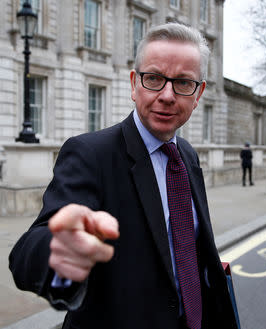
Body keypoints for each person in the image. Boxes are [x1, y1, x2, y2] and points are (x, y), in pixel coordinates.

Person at [9, 23, 238, 329]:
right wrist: (58, 250)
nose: (167, 95)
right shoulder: (89, 154)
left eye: (183, 83)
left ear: (198, 93)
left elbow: (194, 254)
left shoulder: (187, 155)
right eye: (154, 78)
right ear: (134, 84)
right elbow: (28, 251)